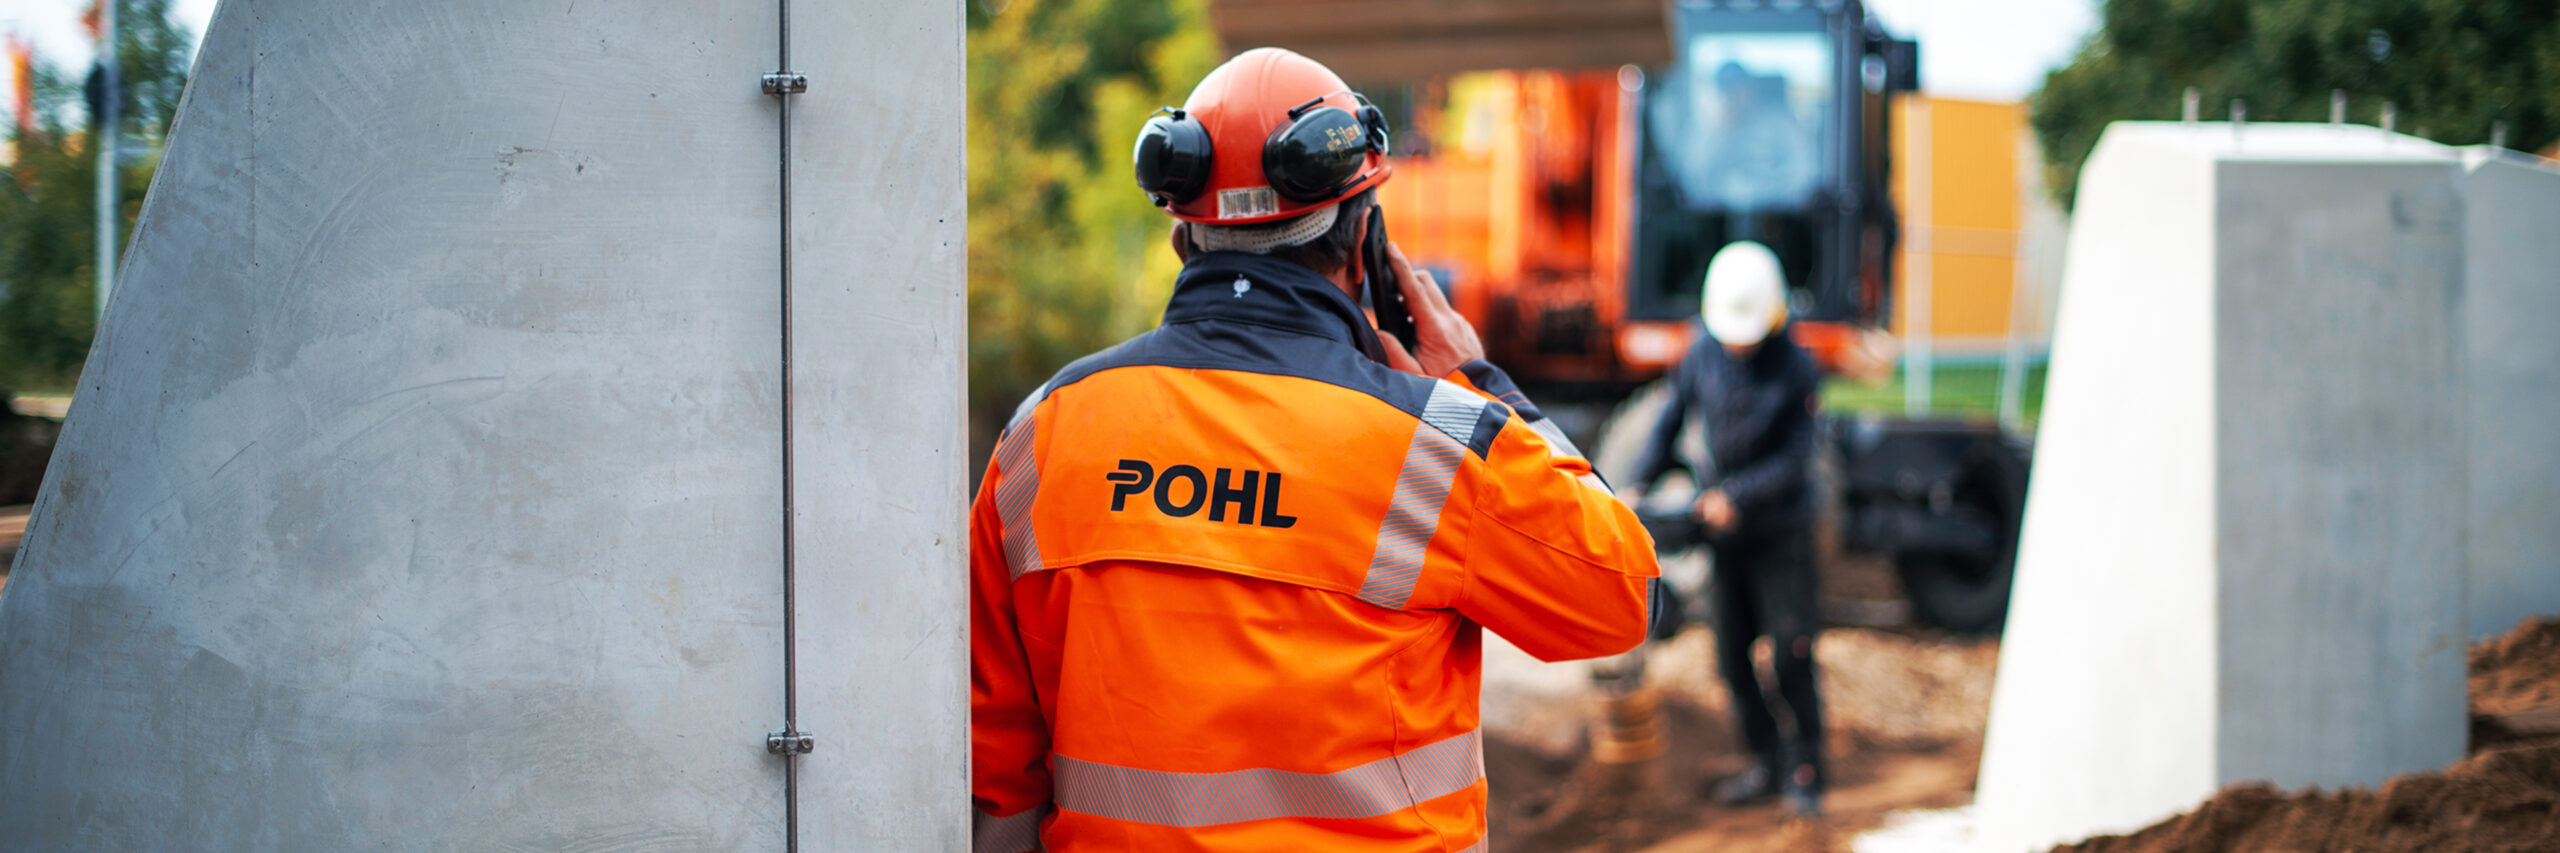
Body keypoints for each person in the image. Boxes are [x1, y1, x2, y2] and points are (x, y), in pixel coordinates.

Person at [969, 47, 1662, 853]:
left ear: (1184, 240)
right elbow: (1625, 598)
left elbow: (997, 767)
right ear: (1365, 240)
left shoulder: (1044, 433)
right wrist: (1483, 385)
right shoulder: (1436, 446)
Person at [1627, 240, 1827, 817]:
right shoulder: (1701, 353)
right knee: (1731, 659)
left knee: (1790, 653)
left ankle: (1807, 769)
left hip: (1781, 532)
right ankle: (1766, 760)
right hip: (1727, 538)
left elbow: (1797, 458)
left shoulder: (1795, 367)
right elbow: (1669, 422)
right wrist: (1636, 485)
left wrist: (1736, 496)